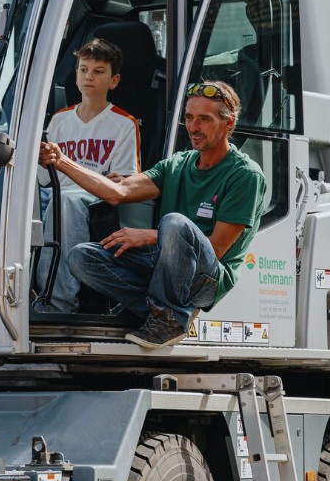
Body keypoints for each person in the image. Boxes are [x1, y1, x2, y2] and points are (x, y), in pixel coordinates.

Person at [37, 80, 266, 348]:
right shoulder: (177, 164)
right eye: (189, 118)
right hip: (164, 267)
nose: (193, 128)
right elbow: (117, 191)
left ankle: (169, 315)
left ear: (228, 123)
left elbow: (215, 249)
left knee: (175, 223)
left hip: (206, 280)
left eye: (204, 119)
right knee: (81, 256)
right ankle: (161, 313)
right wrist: (61, 161)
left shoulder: (245, 175)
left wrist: (151, 236)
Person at [35, 38, 140, 313]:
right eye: (83, 70)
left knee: (66, 201)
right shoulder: (59, 119)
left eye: (98, 71)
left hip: (91, 198)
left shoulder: (123, 123)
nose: (88, 77)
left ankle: (58, 302)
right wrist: (42, 162)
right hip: (54, 193)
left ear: (113, 80)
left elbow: (123, 182)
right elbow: (43, 179)